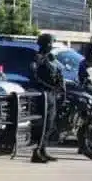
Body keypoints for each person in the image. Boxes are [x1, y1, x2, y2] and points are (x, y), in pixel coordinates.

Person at [29, 33, 64, 163]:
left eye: (52, 43)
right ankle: (36, 152)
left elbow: (57, 72)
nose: (51, 45)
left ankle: (43, 149)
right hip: (43, 94)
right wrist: (47, 85)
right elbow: (34, 75)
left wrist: (59, 87)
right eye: (49, 43)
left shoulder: (50, 58)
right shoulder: (37, 58)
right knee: (42, 125)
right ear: (43, 44)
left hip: (51, 94)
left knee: (49, 124)